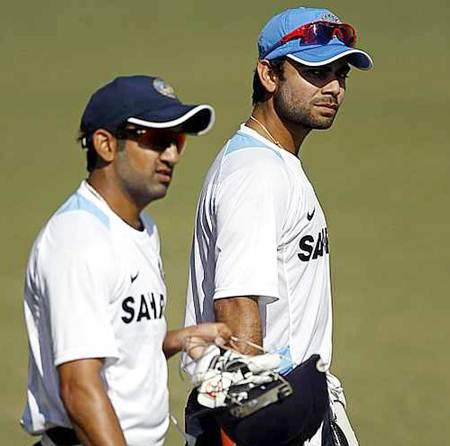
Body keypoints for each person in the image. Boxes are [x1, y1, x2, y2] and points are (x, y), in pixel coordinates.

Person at [183, 6, 373, 446]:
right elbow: (236, 308)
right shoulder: (256, 174)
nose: (333, 87)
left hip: (298, 411)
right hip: (267, 422)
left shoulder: (273, 164)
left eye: (340, 72)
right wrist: (252, 425)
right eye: (315, 70)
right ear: (269, 75)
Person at [21, 75, 232, 446]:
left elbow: (115, 351)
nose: (171, 155)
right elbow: (79, 389)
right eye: (156, 140)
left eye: (177, 141)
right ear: (105, 144)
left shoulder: (141, 229)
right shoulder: (78, 240)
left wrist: (176, 340)